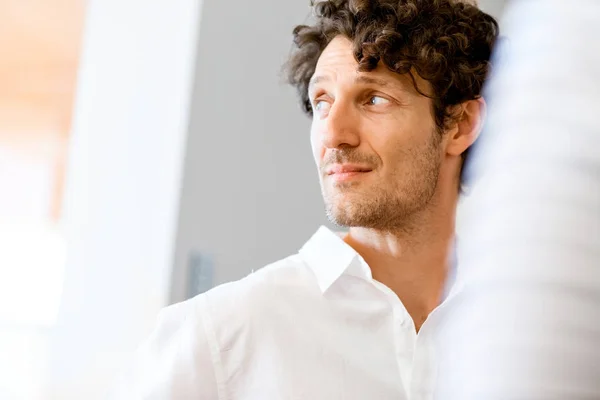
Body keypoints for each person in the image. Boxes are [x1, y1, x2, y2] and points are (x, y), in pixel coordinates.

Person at [116, 1, 498, 398]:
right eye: (322, 102)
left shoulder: (531, 325)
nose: (334, 135)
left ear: (460, 124)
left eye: (374, 99)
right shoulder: (220, 336)